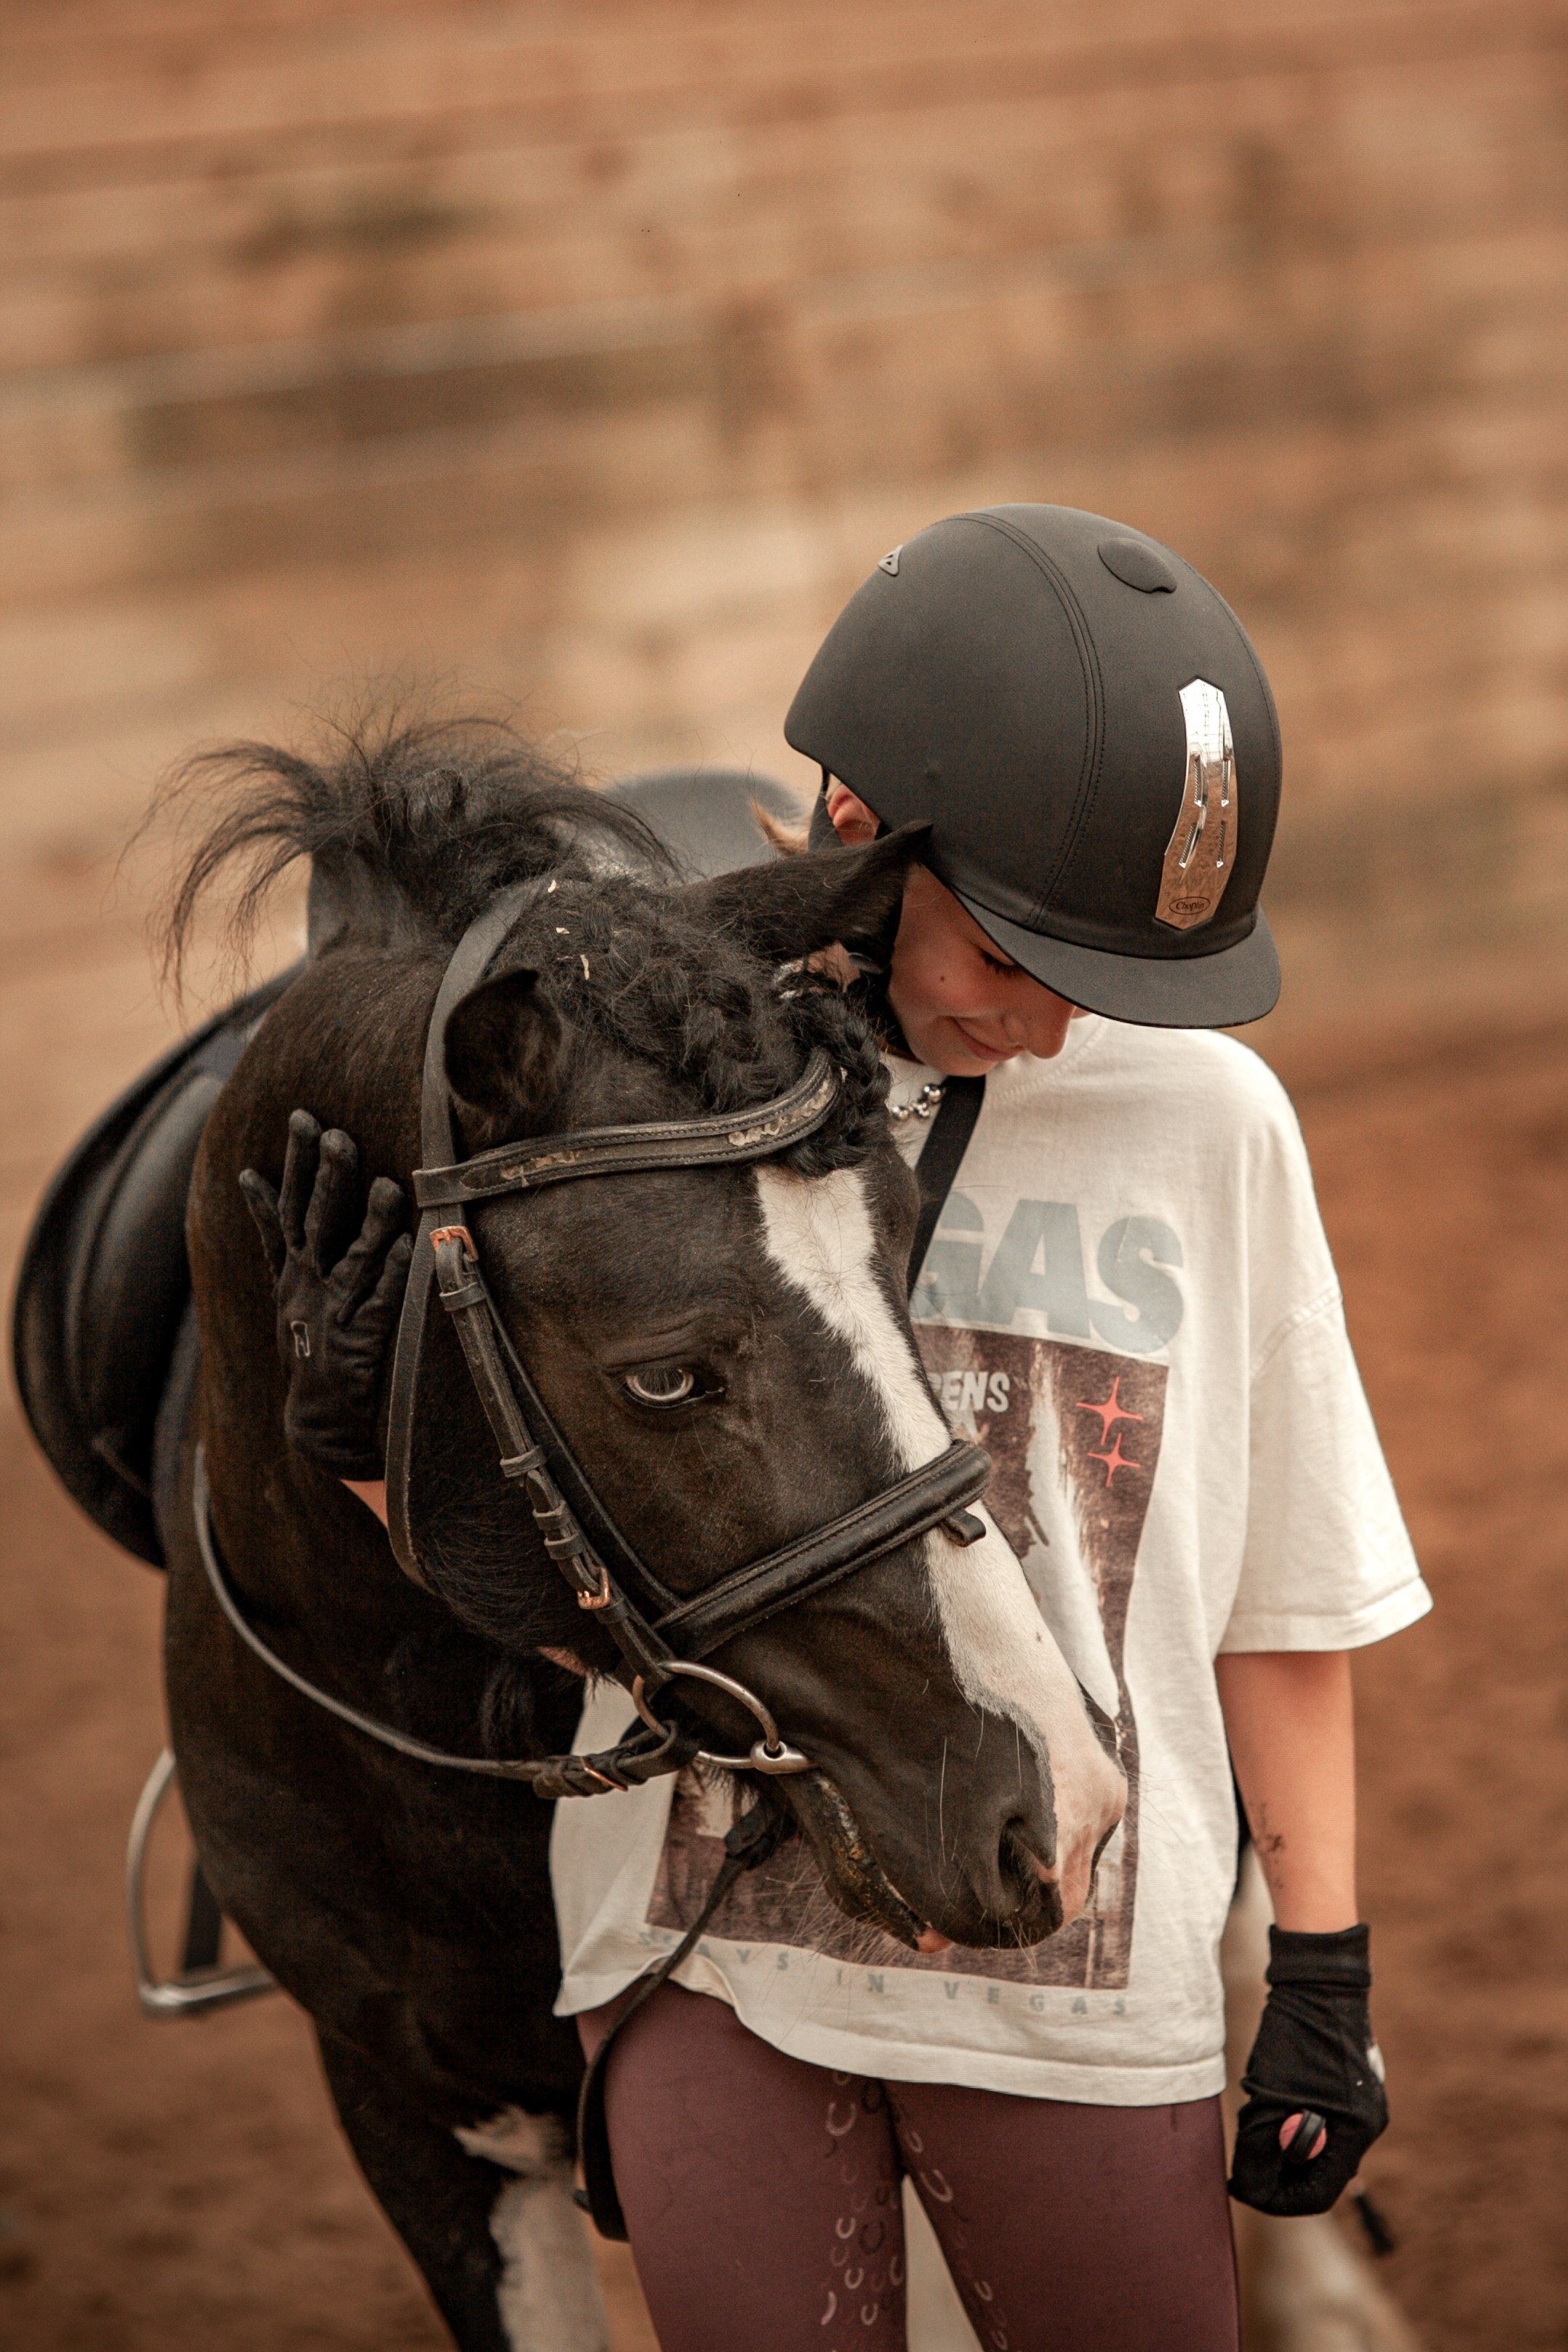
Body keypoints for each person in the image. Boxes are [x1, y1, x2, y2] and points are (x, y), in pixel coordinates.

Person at [258, 506, 1430, 2352]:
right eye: (1011, 959)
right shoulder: (644, 1113)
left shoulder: (1212, 1123)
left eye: (1103, 982)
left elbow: (1281, 1575)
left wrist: (1325, 1959)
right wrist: (355, 1445)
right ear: (863, 841)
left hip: (1074, 1971)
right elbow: (597, 1581)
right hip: (703, 1949)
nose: (1047, 1029)